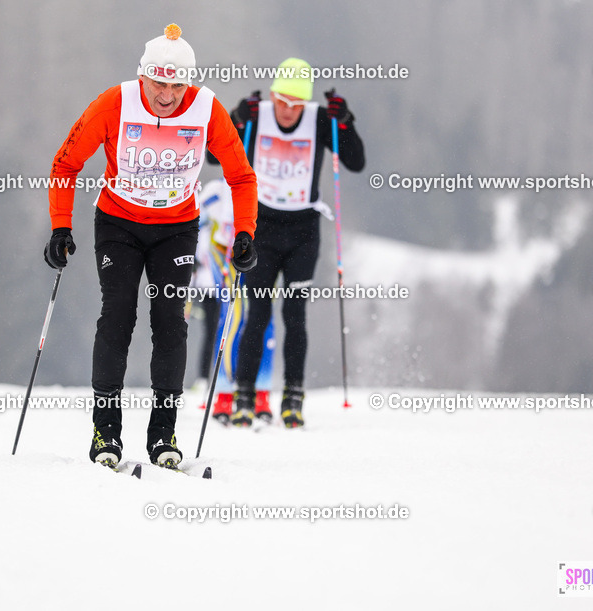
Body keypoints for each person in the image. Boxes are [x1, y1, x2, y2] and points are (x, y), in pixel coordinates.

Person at [44, 24, 258, 468]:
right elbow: (66, 163)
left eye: (178, 84)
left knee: (170, 321)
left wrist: (245, 233)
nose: (167, 94)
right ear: (143, 76)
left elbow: (241, 175)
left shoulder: (206, 108)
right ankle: (106, 433)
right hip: (118, 224)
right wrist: (60, 228)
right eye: (159, 82)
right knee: (118, 313)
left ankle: (163, 435)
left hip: (176, 228)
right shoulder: (114, 103)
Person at [228, 58, 365, 428]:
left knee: (295, 315)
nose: (288, 111)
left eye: (297, 104)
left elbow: (355, 161)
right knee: (256, 315)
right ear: (273, 95)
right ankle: (245, 396)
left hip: (303, 231)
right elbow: (214, 153)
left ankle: (292, 397)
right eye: (283, 101)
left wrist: (345, 122)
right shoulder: (257, 115)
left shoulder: (319, 119)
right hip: (261, 227)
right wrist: (236, 118)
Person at [191, 178, 276, 424]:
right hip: (225, 256)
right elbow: (195, 220)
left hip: (261, 254)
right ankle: (225, 394)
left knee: (262, 318)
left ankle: (261, 392)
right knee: (231, 317)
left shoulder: (264, 182)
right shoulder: (216, 189)